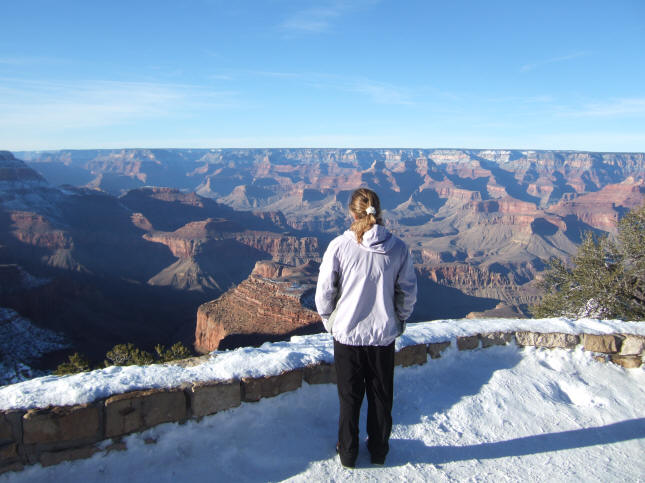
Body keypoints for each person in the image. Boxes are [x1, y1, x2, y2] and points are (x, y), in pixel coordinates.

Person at [315, 187, 417, 468]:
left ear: (352, 212)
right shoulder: (398, 248)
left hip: (347, 337)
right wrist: (399, 320)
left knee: (349, 399)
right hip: (383, 337)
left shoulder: (339, 246)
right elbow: (407, 292)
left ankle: (347, 453)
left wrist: (329, 320)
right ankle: (379, 451)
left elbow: (324, 292)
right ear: (378, 211)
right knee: (381, 397)